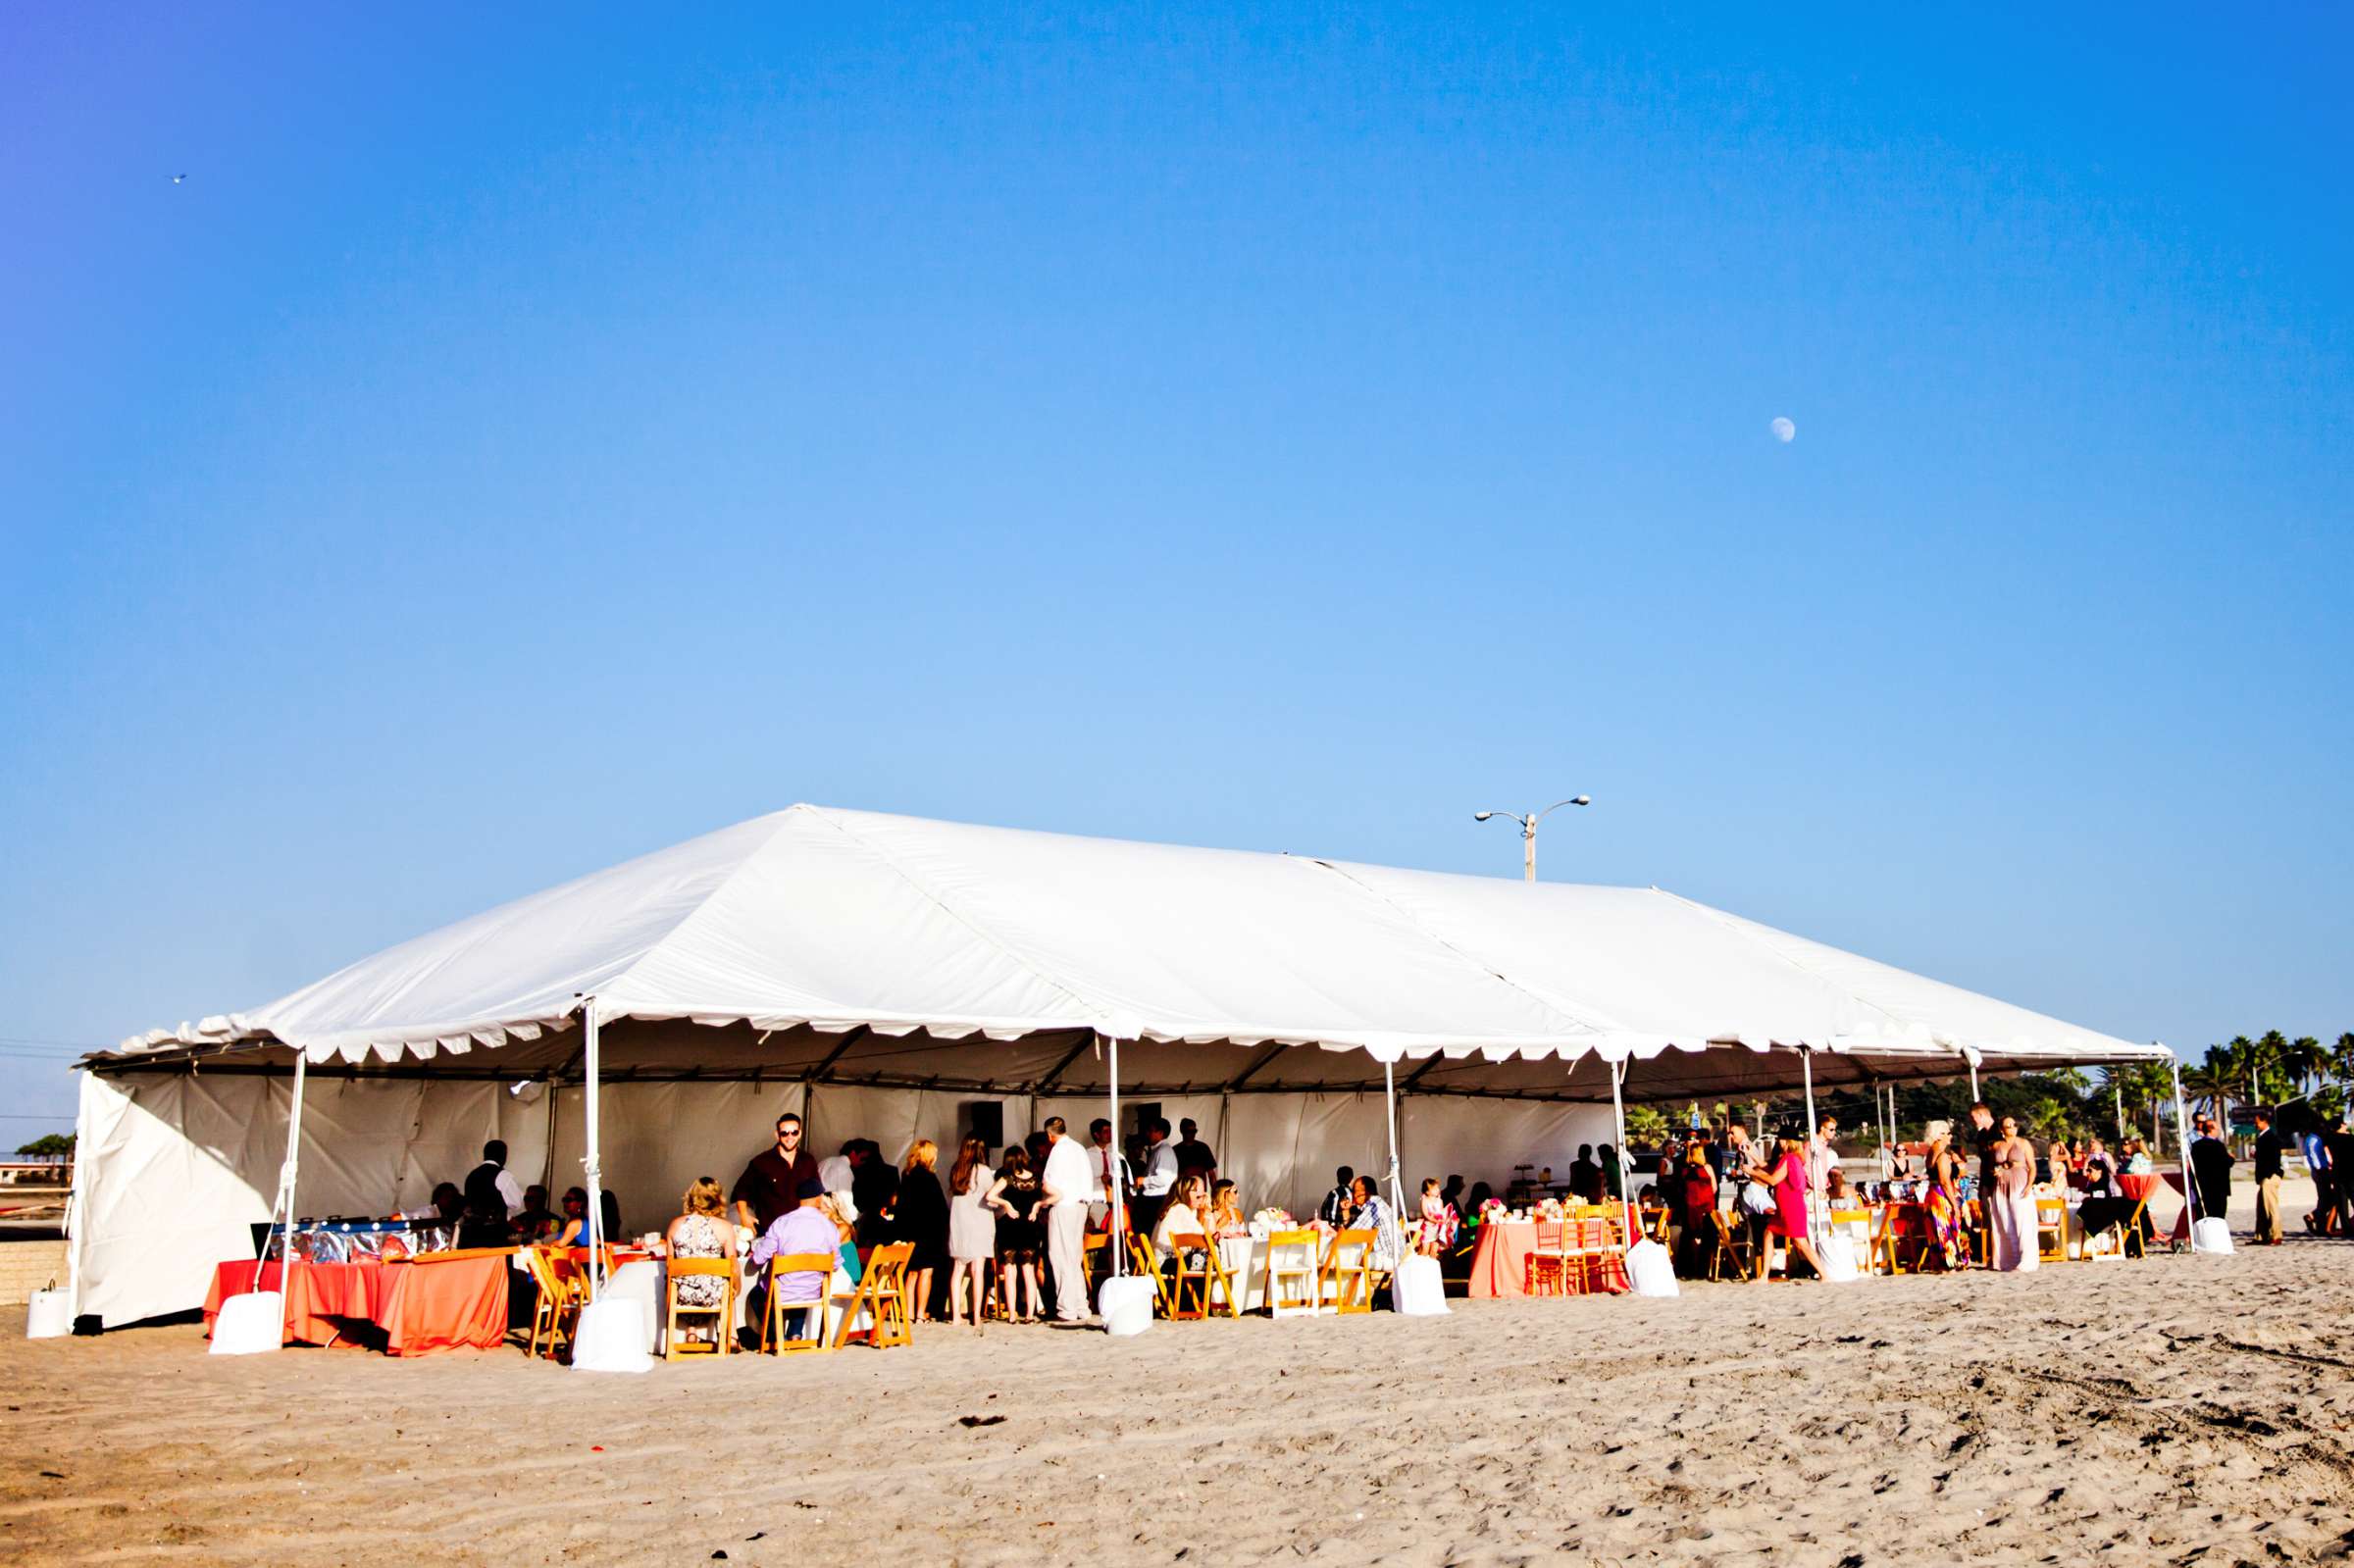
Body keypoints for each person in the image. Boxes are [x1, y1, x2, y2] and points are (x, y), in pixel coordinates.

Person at [748, 1176, 843, 1341]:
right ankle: (795, 1333)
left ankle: (776, 1336)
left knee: (757, 1295)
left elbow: (758, 1259)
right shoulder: (829, 1227)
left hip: (782, 1291)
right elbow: (835, 1264)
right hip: (814, 1290)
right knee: (804, 1283)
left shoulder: (782, 1222)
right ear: (819, 1198)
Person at [1747, 1131, 1829, 1280]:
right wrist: (1752, 1155)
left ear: (1790, 1142)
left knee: (1800, 1242)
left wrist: (1753, 1173)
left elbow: (1773, 1179)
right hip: (1785, 1207)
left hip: (1791, 1207)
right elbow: (1769, 1167)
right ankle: (1764, 1276)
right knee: (1769, 1234)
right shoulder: (1792, 1158)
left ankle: (1824, 1275)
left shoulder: (1789, 1158)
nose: (1780, 1142)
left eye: (1782, 1139)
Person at [661, 1177, 736, 1343]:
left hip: (682, 1295)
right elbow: (733, 1266)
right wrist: (737, 1286)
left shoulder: (675, 1225)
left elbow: (669, 1264)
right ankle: (732, 1336)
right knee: (730, 1282)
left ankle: (691, 1332)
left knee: (678, 1279)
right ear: (717, 1199)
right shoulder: (724, 1227)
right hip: (713, 1294)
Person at [1040, 1116, 1093, 1322]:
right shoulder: (1079, 1148)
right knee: (1074, 1257)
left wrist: (1043, 1201)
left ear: (1049, 1135)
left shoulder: (1058, 1150)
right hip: (1081, 1205)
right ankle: (1081, 1305)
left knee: (1060, 1256)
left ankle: (1067, 1307)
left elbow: (1048, 1182)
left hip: (1063, 1206)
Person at [732, 1113, 820, 1235]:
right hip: (769, 1232)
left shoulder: (808, 1161)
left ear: (799, 1133)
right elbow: (740, 1191)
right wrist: (744, 1216)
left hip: (801, 1231)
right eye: (784, 1133)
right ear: (777, 1135)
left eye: (794, 1132)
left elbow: (817, 1194)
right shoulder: (761, 1162)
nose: (790, 1137)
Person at [892, 1138, 949, 1323]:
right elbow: (940, 1208)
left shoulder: (906, 1176)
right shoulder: (930, 1178)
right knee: (926, 1272)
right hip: (928, 1231)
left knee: (911, 1273)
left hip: (910, 1231)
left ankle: (908, 1313)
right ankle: (920, 1312)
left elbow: (900, 1207)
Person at [986, 1147, 1047, 1322]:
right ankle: (1030, 1313)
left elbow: (989, 1196)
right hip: (1029, 1227)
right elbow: (1056, 1194)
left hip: (1010, 1226)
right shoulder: (1036, 1179)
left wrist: (1006, 1204)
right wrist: (1037, 1205)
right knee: (1029, 1272)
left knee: (1010, 1273)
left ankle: (1012, 1314)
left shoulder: (1008, 1179)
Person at [946, 1137, 996, 1329]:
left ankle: (956, 1315)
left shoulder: (956, 1169)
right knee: (978, 1271)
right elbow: (991, 1197)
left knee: (957, 1269)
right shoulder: (982, 1171)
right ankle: (976, 1315)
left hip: (959, 1221)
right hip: (979, 1220)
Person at [1987, 1115, 2038, 1272]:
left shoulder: (2023, 1144)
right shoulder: (1996, 1146)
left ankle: (2026, 1261)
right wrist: (1995, 1171)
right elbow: (1990, 1165)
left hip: (2020, 1183)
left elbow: (2032, 1167)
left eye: (2014, 1124)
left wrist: (2029, 1185)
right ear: (2002, 1129)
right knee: (2004, 1222)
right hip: (2001, 1185)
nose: (2012, 1127)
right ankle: (2007, 1260)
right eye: (2008, 1125)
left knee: (2023, 1222)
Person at [1922, 1123, 1973, 1271]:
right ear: (1938, 1135)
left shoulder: (1930, 1153)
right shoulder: (1943, 1156)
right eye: (1947, 1133)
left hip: (1931, 1193)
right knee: (1948, 1229)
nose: (1950, 1136)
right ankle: (1950, 1263)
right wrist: (1955, 1205)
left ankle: (1940, 1263)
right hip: (1941, 1195)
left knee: (1937, 1230)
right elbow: (1945, 1181)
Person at [457, 1139, 519, 1248]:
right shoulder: (503, 1174)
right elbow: (516, 1202)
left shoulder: (472, 1175)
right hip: (493, 1234)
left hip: (471, 1233)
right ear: (504, 1155)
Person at [1344, 1174, 1407, 1270]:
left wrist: (1333, 1233)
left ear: (1364, 1193)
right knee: (1356, 1255)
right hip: (1398, 1256)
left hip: (1390, 1258)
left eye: (1354, 1192)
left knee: (1348, 1259)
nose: (1353, 1196)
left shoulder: (1374, 1207)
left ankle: (1353, 1285)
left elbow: (1351, 1235)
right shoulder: (1379, 1203)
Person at [1151, 1173, 1211, 1272]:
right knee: (1210, 1254)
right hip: (1168, 1264)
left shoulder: (1173, 1208)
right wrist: (1207, 1214)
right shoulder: (1180, 1209)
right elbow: (1204, 1240)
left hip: (1161, 1264)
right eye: (1194, 1191)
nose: (1200, 1195)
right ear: (1184, 1192)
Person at [1675, 1144, 1718, 1278]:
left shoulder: (1685, 1171)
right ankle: (1703, 1270)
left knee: (1688, 1238)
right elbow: (1714, 1188)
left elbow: (1682, 1190)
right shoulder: (1707, 1168)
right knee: (1708, 1238)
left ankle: (1686, 1270)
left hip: (1690, 1209)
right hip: (1705, 1208)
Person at [1132, 1118, 1178, 1240]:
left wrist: (1144, 1181)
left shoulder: (1164, 1151)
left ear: (1161, 1133)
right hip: (1152, 1199)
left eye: (1151, 1131)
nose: (1148, 1134)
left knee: (1149, 1234)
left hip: (1157, 1200)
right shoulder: (1158, 1150)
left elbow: (1163, 1179)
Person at [2188, 1115, 2233, 1231]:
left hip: (2203, 1185)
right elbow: (2226, 1162)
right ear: (2211, 1129)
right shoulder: (2218, 1145)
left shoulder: (2196, 1146)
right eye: (2217, 1129)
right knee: (2219, 1214)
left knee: (2206, 1213)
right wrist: (2231, 1158)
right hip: (2218, 1186)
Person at [851, 1139, 899, 1247]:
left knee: (863, 1253)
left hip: (864, 1219)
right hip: (885, 1218)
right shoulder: (892, 1171)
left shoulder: (860, 1171)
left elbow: (856, 1196)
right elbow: (895, 1197)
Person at [2299, 1113, 2336, 1236]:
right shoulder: (2314, 1139)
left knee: (2326, 1199)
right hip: (2321, 1172)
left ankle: (2316, 1219)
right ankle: (2317, 1222)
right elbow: (2315, 1158)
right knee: (2325, 1199)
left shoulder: (2313, 1138)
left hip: (2320, 1171)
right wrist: (2323, 1170)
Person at [1415, 1177, 1458, 1256]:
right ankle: (1420, 1266)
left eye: (1437, 1188)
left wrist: (1448, 1219)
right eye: (1434, 1189)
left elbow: (1442, 1213)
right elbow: (1426, 1214)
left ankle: (1433, 1266)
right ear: (1427, 1192)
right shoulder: (1424, 1200)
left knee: (1434, 1252)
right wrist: (1434, 1220)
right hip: (1428, 1228)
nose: (1437, 1190)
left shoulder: (1440, 1201)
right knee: (1425, 1251)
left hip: (1437, 1229)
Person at [1172, 1118, 1217, 1183]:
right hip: (1182, 1190)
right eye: (1189, 1131)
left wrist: (1215, 1191)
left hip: (1199, 1190)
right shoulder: (1175, 1150)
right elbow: (1171, 1176)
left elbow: (1211, 1174)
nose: (1192, 1134)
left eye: (1194, 1131)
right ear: (1181, 1131)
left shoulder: (1203, 1148)